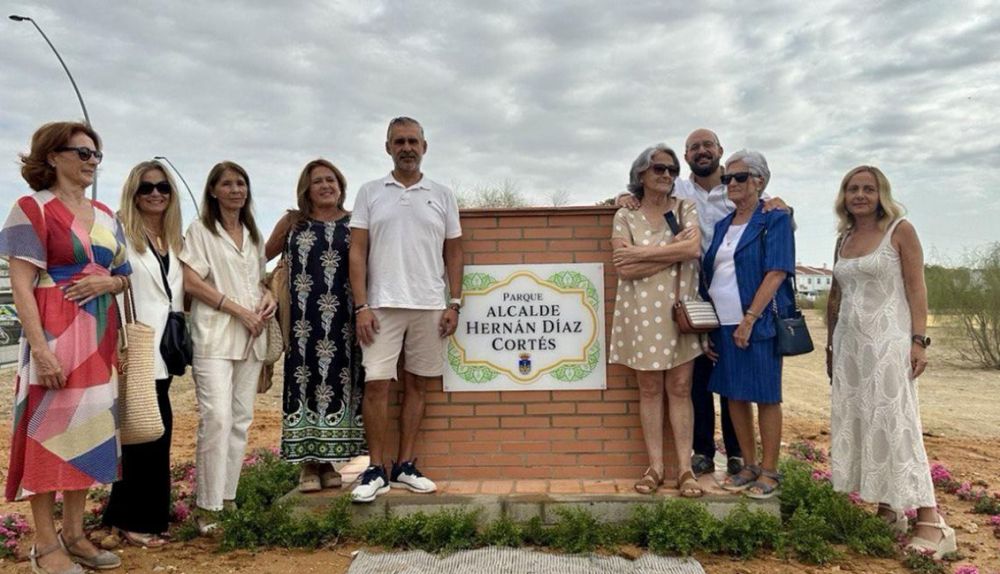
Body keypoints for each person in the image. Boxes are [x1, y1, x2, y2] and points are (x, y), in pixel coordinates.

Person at [1, 121, 126, 573]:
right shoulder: (29, 209)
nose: (92, 161)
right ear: (53, 156)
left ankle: (74, 534)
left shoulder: (108, 213)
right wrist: (41, 349)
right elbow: (20, 287)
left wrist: (109, 280)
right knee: (47, 435)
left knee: (88, 432)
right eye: (83, 153)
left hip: (98, 337)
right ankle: (44, 543)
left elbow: (125, 273)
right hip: (53, 333)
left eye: (96, 155)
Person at [826, 166, 955, 557]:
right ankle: (889, 508)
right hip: (850, 347)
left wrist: (919, 341)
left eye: (868, 188)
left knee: (898, 424)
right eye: (852, 188)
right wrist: (831, 346)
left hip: (888, 345)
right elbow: (836, 295)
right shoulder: (843, 238)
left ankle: (932, 523)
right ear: (844, 196)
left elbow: (917, 288)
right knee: (866, 421)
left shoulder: (900, 230)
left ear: (881, 192)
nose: (860, 195)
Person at [348, 117, 463, 503]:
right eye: (399, 141)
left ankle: (405, 465)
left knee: (418, 385)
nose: (407, 147)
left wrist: (455, 302)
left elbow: (455, 251)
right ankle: (375, 469)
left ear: (425, 147)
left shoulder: (442, 195)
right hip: (380, 306)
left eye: (413, 141)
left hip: (430, 305)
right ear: (388, 147)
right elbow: (358, 251)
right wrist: (361, 305)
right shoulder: (369, 193)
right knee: (377, 385)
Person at [180, 161, 276, 533]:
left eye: (241, 183)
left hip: (252, 338)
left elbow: (258, 280)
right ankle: (207, 507)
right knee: (216, 418)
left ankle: (228, 498)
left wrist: (268, 298)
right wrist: (237, 310)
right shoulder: (200, 231)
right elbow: (191, 281)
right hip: (215, 337)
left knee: (240, 420)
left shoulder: (253, 235)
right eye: (228, 184)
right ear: (213, 191)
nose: (236, 190)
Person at [265, 159, 366, 492]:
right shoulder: (294, 222)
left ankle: (331, 462)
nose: (325, 186)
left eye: (331, 180)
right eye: (317, 181)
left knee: (339, 385)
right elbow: (257, 257)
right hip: (303, 324)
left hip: (344, 322)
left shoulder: (356, 222)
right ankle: (309, 466)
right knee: (306, 384)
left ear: (341, 185)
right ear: (306, 189)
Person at [609, 144, 704, 497]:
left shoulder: (685, 208)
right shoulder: (625, 215)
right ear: (641, 175)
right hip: (640, 315)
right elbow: (622, 266)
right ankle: (655, 468)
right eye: (659, 169)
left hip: (677, 312)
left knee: (680, 389)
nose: (667, 175)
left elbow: (692, 251)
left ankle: (685, 469)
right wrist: (670, 252)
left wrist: (641, 255)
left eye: (672, 170)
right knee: (649, 390)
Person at [700, 150, 794, 499]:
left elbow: (777, 271)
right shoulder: (724, 224)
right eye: (728, 179)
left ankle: (770, 471)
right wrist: (711, 326)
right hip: (723, 323)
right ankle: (748, 465)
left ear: (760, 181)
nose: (732, 184)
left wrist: (750, 318)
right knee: (734, 395)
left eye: (740, 177)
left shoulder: (775, 219)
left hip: (757, 321)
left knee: (765, 396)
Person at [101, 161, 184, 547]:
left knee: (151, 429)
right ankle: (136, 521)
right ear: (134, 193)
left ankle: (129, 516)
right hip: (133, 344)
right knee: (145, 433)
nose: (155, 194)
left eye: (163, 188)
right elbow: (107, 279)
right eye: (146, 188)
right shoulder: (119, 231)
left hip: (163, 348)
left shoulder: (173, 239)